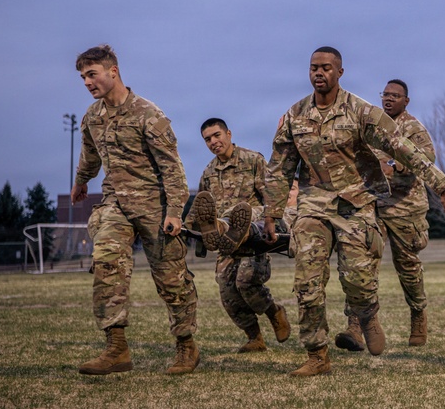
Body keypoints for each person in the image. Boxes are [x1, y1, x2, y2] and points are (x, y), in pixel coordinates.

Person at [262, 47, 445, 377]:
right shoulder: (295, 115)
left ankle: (367, 315)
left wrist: (442, 184)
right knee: (307, 282)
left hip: (355, 205)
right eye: (314, 67)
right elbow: (279, 167)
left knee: (357, 280)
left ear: (340, 72)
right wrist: (271, 213)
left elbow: (403, 148)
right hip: (313, 206)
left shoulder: (361, 111)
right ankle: (317, 354)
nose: (319, 73)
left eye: (326, 68)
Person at [71, 45, 199, 375]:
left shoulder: (148, 114)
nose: (87, 82)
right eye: (83, 77)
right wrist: (81, 180)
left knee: (172, 280)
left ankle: (186, 345)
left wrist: (174, 211)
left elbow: (172, 167)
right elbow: (90, 154)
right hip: (115, 204)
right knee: (106, 262)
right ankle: (117, 348)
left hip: (155, 207)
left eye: (92, 74)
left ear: (113, 71)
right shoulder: (92, 116)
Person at [336, 79, 435, 352]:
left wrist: (394, 165)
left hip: (405, 207)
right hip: (372, 206)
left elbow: (427, 158)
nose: (388, 99)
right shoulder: (372, 126)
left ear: (406, 101)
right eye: (385, 94)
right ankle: (355, 327)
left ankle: (418, 314)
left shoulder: (413, 128)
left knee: (408, 267)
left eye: (395, 96)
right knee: (361, 265)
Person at [187, 118, 292, 353]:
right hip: (226, 244)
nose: (213, 142)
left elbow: (271, 196)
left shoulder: (252, 160)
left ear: (229, 134)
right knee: (228, 293)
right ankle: (255, 338)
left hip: (252, 238)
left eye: (217, 135)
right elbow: (199, 210)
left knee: (246, 283)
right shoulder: (209, 172)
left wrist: (274, 223)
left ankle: (274, 312)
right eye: (207, 139)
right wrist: (183, 227)